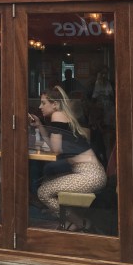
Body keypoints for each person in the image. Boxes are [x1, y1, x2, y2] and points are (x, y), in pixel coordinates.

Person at [29, 86, 106, 228]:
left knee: (43, 192)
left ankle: (81, 223)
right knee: (46, 182)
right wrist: (40, 125)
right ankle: (68, 220)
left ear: (55, 104)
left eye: (43, 103)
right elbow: (55, 147)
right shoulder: (63, 115)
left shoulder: (57, 115)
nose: (40, 107)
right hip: (91, 172)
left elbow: (55, 150)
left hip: (90, 175)